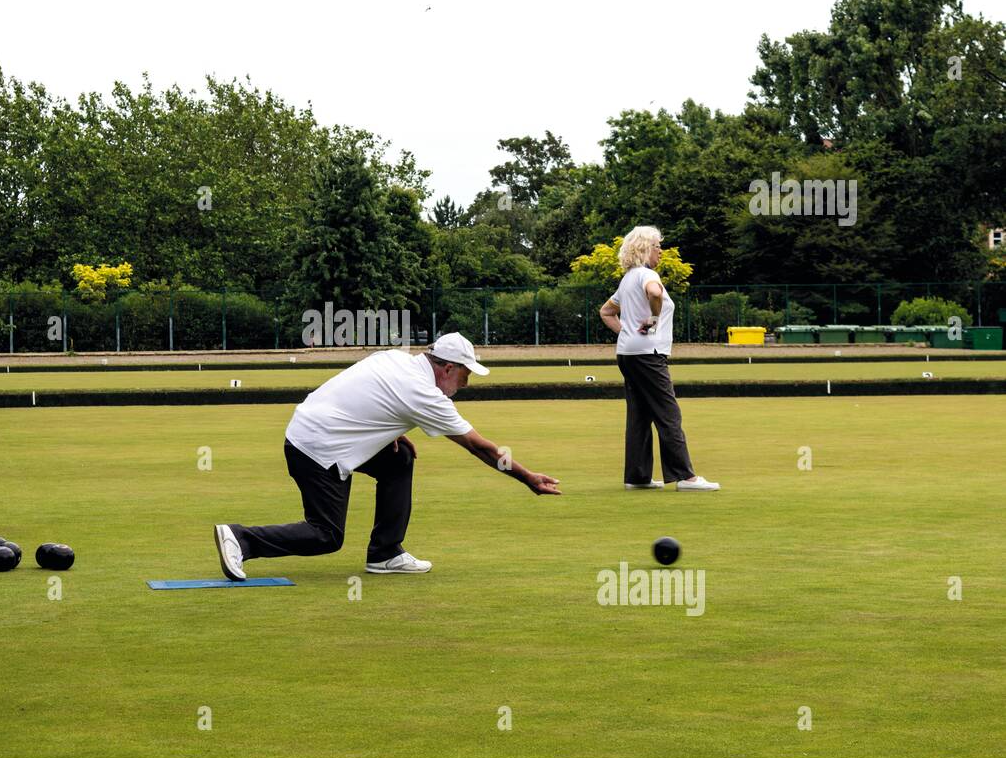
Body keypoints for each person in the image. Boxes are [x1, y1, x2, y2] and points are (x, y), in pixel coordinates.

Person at [213, 332, 561, 580]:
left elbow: (366, 393)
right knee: (326, 536)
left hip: (312, 427)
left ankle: (385, 554)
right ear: (448, 368)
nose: (466, 384)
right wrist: (527, 477)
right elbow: (480, 447)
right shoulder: (426, 394)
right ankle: (241, 538)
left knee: (399, 459)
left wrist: (391, 433)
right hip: (316, 447)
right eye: (466, 374)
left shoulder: (396, 358)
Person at [598, 226, 720, 492]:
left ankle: (637, 477)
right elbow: (654, 293)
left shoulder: (628, 278)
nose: (660, 251)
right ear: (644, 249)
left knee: (640, 414)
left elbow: (606, 312)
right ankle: (685, 478)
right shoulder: (647, 275)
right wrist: (652, 320)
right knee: (668, 412)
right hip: (648, 354)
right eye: (657, 246)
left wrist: (628, 333)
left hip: (628, 353)